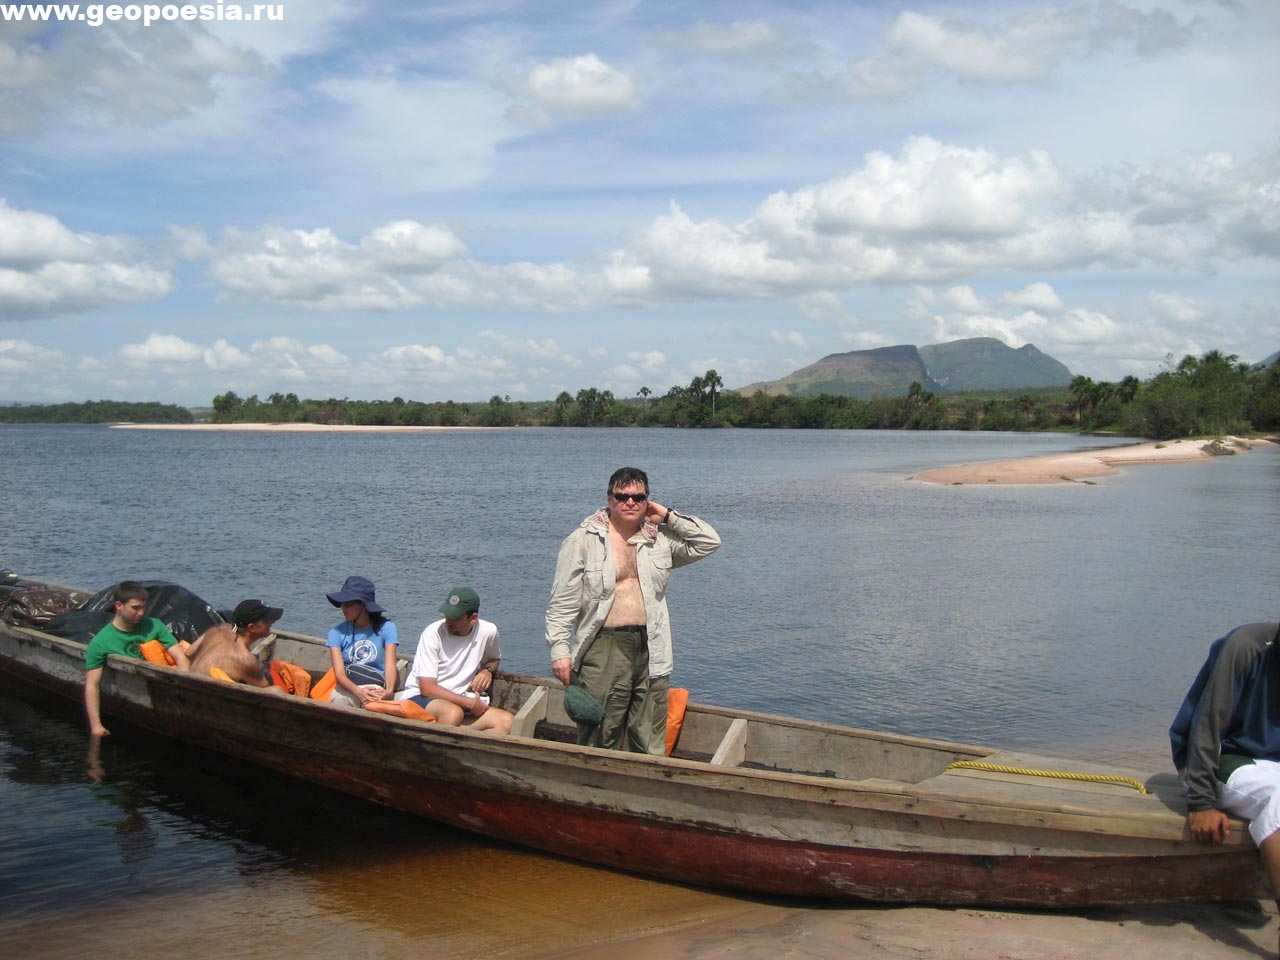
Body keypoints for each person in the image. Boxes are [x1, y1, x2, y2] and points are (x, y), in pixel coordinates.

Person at [545, 466, 720, 754]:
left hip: (652, 645)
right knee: (601, 732)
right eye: (622, 496)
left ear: (647, 501)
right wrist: (559, 651)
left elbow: (709, 542)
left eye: (638, 498)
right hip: (603, 647)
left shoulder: (660, 539)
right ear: (609, 498)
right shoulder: (583, 541)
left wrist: (667, 516)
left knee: (649, 733)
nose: (630, 502)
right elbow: (562, 601)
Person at [1170, 620, 1280, 928]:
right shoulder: (1247, 647)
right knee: (1278, 800)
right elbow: (1206, 727)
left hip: (1273, 763)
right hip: (1227, 757)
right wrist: (1202, 802)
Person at [396, 586, 513, 733]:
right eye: (447, 615)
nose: (449, 621)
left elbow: (493, 658)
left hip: (459, 702)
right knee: (452, 713)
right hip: (420, 697)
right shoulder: (432, 633)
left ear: (473, 618)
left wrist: (487, 671)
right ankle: (434, 753)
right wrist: (470, 703)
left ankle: (466, 754)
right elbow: (428, 688)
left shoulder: (488, 631)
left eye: (456, 618)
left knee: (506, 721)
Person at [83, 580, 191, 736]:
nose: (141, 613)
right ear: (119, 606)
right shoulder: (100, 642)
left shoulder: (155, 625)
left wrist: (183, 687)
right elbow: (92, 685)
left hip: (167, 687)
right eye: (135, 608)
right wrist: (96, 726)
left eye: (143, 607)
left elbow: (180, 657)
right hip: (135, 689)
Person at [325, 575, 397, 708]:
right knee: (339, 701)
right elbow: (340, 674)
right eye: (342, 604)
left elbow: (390, 666)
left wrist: (389, 691)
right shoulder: (336, 633)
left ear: (363, 606)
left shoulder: (387, 628)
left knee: (375, 704)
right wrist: (358, 691)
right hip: (348, 686)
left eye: (348, 604)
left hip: (376, 685)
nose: (343, 608)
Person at [186, 599, 284, 688]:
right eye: (267, 620)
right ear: (252, 627)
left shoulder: (217, 629)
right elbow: (266, 690)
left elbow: (188, 653)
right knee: (276, 689)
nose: (273, 621)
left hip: (191, 688)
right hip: (210, 699)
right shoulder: (246, 660)